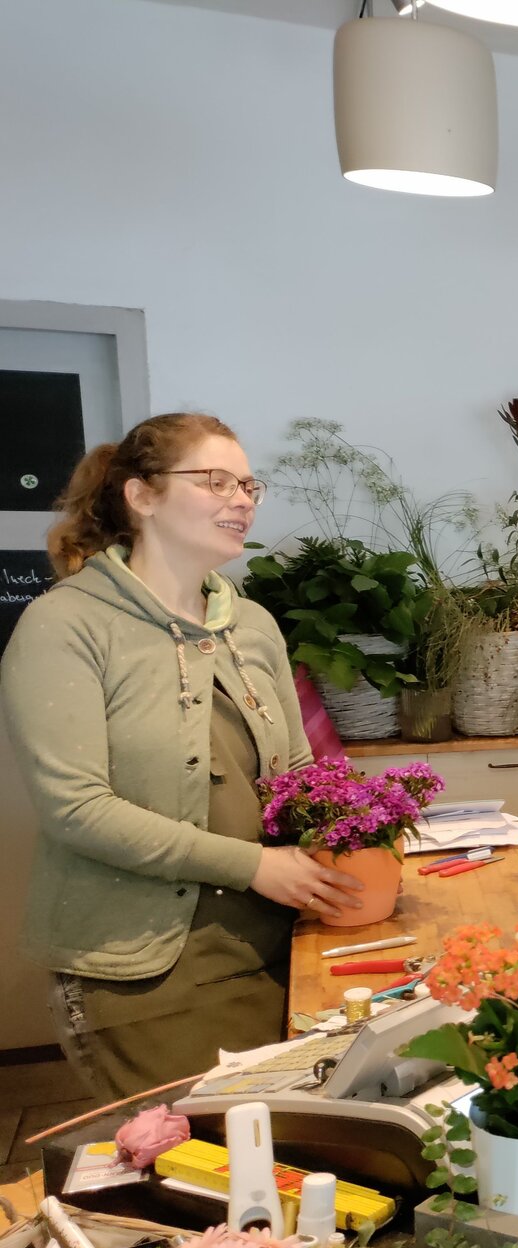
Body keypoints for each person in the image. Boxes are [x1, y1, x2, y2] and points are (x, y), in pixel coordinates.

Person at [1, 413, 362, 1101]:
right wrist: (254, 864)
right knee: (204, 1175)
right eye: (215, 481)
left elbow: (293, 779)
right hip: (143, 971)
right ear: (141, 496)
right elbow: (79, 810)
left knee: (286, 1164)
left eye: (250, 484)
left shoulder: (250, 623)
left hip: (273, 941)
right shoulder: (66, 625)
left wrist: (361, 833)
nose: (243, 499)